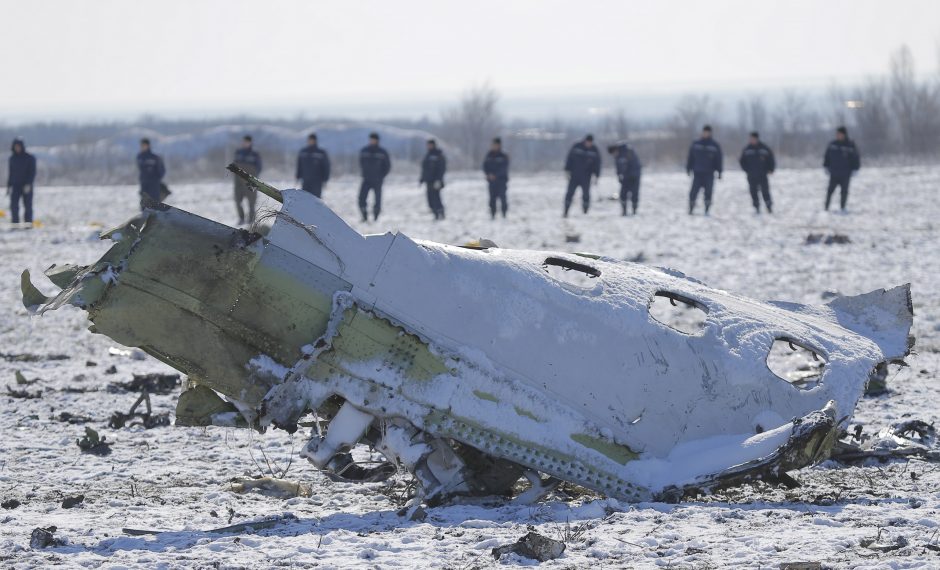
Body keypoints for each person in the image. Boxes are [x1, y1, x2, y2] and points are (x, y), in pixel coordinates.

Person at [686, 125, 723, 215]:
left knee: (708, 192)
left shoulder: (714, 145)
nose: (705, 134)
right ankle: (691, 207)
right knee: (693, 192)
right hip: (697, 173)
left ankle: (707, 208)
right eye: (704, 132)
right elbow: (690, 157)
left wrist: (720, 171)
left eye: (707, 132)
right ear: (702, 132)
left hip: (709, 173)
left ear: (710, 133)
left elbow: (719, 159)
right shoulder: (696, 144)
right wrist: (688, 168)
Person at [823, 126, 861, 212]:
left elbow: (856, 158)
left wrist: (856, 169)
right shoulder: (832, 144)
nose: (838, 135)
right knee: (830, 191)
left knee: (844, 192)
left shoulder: (850, 145)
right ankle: (826, 207)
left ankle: (842, 208)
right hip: (834, 172)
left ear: (844, 134)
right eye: (837, 134)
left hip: (845, 173)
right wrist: (825, 166)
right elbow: (827, 156)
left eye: (840, 134)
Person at [563, 134, 601, 217]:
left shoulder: (594, 150)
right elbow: (569, 158)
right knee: (570, 193)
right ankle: (566, 211)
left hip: (586, 177)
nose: (589, 144)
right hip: (574, 175)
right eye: (588, 142)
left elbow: (597, 164)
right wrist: (567, 170)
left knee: (586, 195)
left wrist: (597, 175)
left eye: (590, 143)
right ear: (585, 141)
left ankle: (585, 212)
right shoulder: (576, 146)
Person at [738, 132, 776, 214]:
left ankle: (769, 206)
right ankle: (756, 206)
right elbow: (741, 161)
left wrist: (771, 169)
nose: (752, 140)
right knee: (753, 191)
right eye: (751, 139)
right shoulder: (747, 149)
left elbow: (771, 159)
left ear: (757, 139)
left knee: (765, 191)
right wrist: (746, 170)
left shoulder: (764, 148)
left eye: (754, 139)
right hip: (751, 175)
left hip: (762, 174)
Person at [358, 132, 391, 221]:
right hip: (366, 179)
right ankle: (364, 216)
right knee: (361, 198)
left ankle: (376, 216)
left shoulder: (382, 152)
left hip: (377, 180)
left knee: (377, 199)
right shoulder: (364, 150)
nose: (372, 141)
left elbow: (387, 166)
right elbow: (361, 163)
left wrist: (381, 176)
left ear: (377, 140)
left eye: (374, 140)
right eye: (371, 139)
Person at [233, 135, 262, 225]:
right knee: (238, 201)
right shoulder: (238, 152)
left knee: (251, 202)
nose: (245, 143)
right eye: (244, 142)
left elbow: (259, 167)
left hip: (250, 181)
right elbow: (234, 165)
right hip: (238, 181)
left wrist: (254, 177)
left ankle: (251, 220)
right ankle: (241, 218)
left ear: (250, 142)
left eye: (247, 142)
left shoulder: (255, 154)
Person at [7, 138, 36, 225]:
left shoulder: (30, 158)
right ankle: (15, 224)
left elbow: (32, 172)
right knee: (14, 205)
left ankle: (28, 224)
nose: (17, 148)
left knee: (28, 205)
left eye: (18, 146)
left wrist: (29, 183)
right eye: (15, 146)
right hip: (15, 185)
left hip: (26, 185)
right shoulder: (12, 158)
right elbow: (11, 173)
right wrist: (9, 186)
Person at [607, 143, 642, 216]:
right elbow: (618, 168)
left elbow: (634, 164)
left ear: (615, 150)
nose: (614, 156)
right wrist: (619, 176)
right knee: (623, 194)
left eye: (613, 153)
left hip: (634, 177)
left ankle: (634, 210)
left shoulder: (628, 151)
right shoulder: (617, 157)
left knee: (634, 194)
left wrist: (633, 175)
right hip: (625, 178)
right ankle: (624, 211)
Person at [296, 133, 331, 198]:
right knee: (304, 198)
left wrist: (325, 179)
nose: (311, 141)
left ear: (315, 141)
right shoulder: (303, 152)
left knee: (316, 200)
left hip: (317, 182)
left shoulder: (321, 152)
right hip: (306, 180)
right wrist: (298, 176)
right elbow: (299, 165)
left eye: (312, 140)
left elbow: (326, 166)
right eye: (309, 140)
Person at [482, 137, 510, 219]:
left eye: (495, 145)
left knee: (503, 198)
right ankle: (492, 214)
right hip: (491, 182)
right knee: (492, 199)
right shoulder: (489, 155)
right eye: (492, 145)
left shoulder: (503, 155)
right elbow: (484, 166)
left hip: (501, 181)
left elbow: (504, 168)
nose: (493, 146)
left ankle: (504, 214)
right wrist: (488, 174)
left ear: (499, 145)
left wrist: (495, 175)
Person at [419, 139, 447, 220]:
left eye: (430, 145)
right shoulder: (427, 155)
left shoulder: (438, 155)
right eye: (428, 145)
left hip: (436, 181)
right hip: (428, 181)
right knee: (430, 199)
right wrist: (422, 179)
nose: (429, 146)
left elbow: (442, 168)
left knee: (436, 198)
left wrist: (439, 179)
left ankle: (440, 213)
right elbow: (424, 169)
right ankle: (435, 213)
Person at [136, 138, 166, 210]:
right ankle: (144, 217)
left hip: (154, 184)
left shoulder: (155, 157)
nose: (143, 146)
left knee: (155, 201)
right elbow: (140, 169)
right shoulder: (139, 157)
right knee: (144, 202)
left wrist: (157, 179)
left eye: (144, 145)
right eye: (141, 145)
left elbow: (162, 169)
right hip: (144, 183)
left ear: (148, 145)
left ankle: (156, 217)